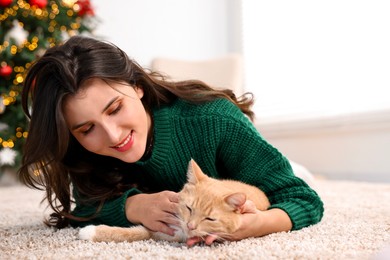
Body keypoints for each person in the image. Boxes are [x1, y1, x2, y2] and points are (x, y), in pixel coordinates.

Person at [18, 35, 323, 246]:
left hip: (242, 176)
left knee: (294, 174)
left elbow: (303, 199)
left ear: (137, 86)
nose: (113, 135)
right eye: (86, 129)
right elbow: (83, 208)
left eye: (115, 109)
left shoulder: (214, 119)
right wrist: (132, 206)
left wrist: (254, 225)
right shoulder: (85, 150)